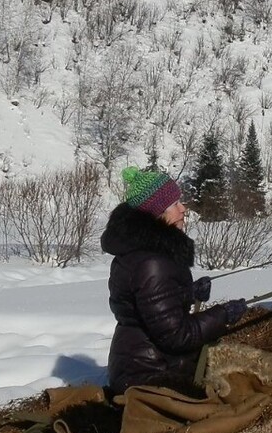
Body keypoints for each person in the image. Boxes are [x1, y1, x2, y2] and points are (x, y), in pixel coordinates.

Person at [100, 166, 247, 395]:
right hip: (151, 376)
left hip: (138, 365)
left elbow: (149, 306)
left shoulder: (141, 252)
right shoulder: (153, 263)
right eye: (174, 204)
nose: (183, 209)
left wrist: (189, 292)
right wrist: (223, 315)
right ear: (156, 214)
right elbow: (177, 337)